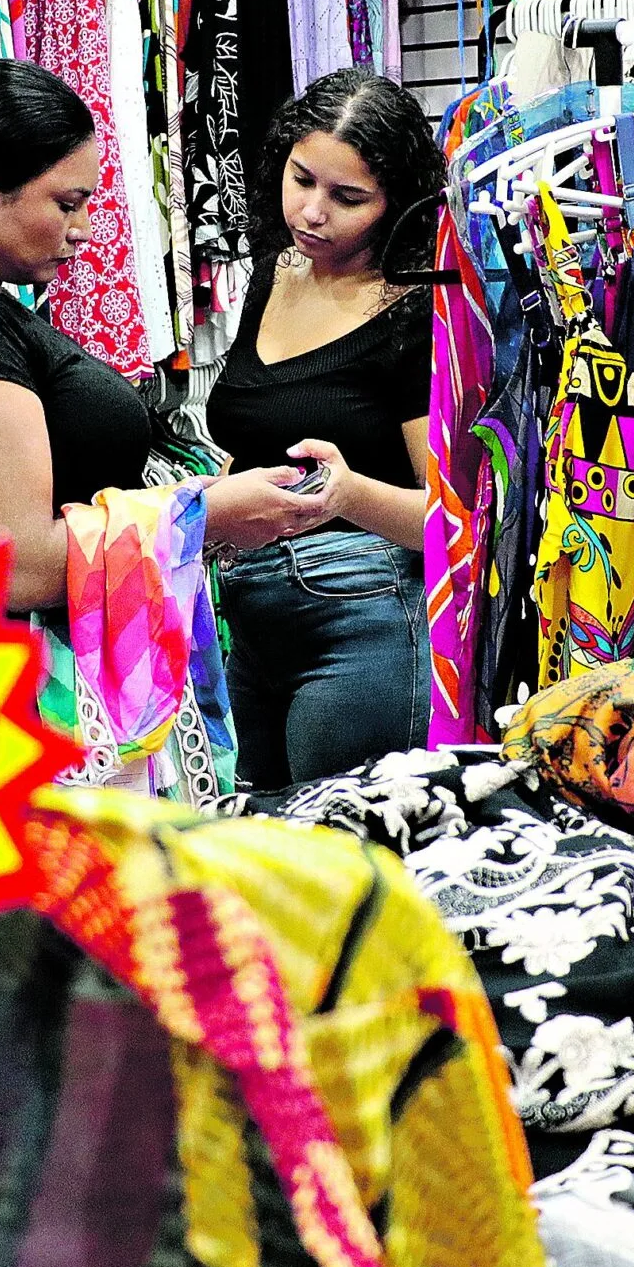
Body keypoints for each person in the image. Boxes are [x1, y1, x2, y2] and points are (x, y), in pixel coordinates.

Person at [0, 60, 304, 616]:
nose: (83, 227)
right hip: (18, 685)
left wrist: (201, 498)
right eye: (66, 204)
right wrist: (205, 515)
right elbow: (19, 567)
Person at [201, 69, 443, 788]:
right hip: (249, 619)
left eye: (347, 198)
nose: (312, 212)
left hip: (362, 617)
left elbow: (448, 521)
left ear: (395, 201)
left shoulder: (411, 309)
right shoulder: (274, 273)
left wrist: (347, 493)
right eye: (301, 178)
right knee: (262, 857)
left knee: (342, 860)